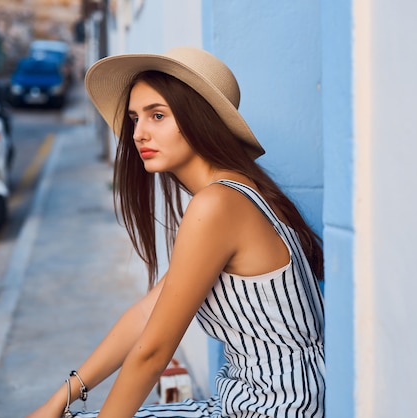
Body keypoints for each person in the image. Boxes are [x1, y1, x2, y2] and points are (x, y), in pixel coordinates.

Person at [27, 46, 325, 418]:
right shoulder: (233, 193)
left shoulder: (217, 205)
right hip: (260, 405)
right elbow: (144, 315)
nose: (139, 134)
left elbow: (153, 351)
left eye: (157, 116)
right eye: (135, 118)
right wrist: (61, 398)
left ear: (199, 119)